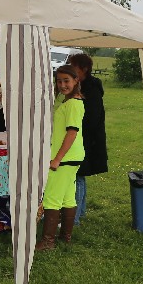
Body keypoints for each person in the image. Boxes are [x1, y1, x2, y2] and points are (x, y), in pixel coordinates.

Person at [37, 64, 85, 251]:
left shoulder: (73, 104)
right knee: (67, 198)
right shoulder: (71, 102)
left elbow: (72, 133)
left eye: (67, 81)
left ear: (76, 81)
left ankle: (48, 242)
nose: (63, 85)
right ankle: (65, 237)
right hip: (72, 157)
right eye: (59, 81)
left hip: (65, 159)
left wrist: (57, 159)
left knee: (52, 198)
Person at [68, 53, 108, 224]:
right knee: (79, 175)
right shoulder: (80, 86)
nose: (70, 69)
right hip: (82, 139)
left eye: (73, 66)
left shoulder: (91, 89)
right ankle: (80, 212)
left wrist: (73, 131)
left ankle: (74, 218)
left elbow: (91, 119)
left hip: (86, 140)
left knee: (77, 176)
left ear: (84, 69)